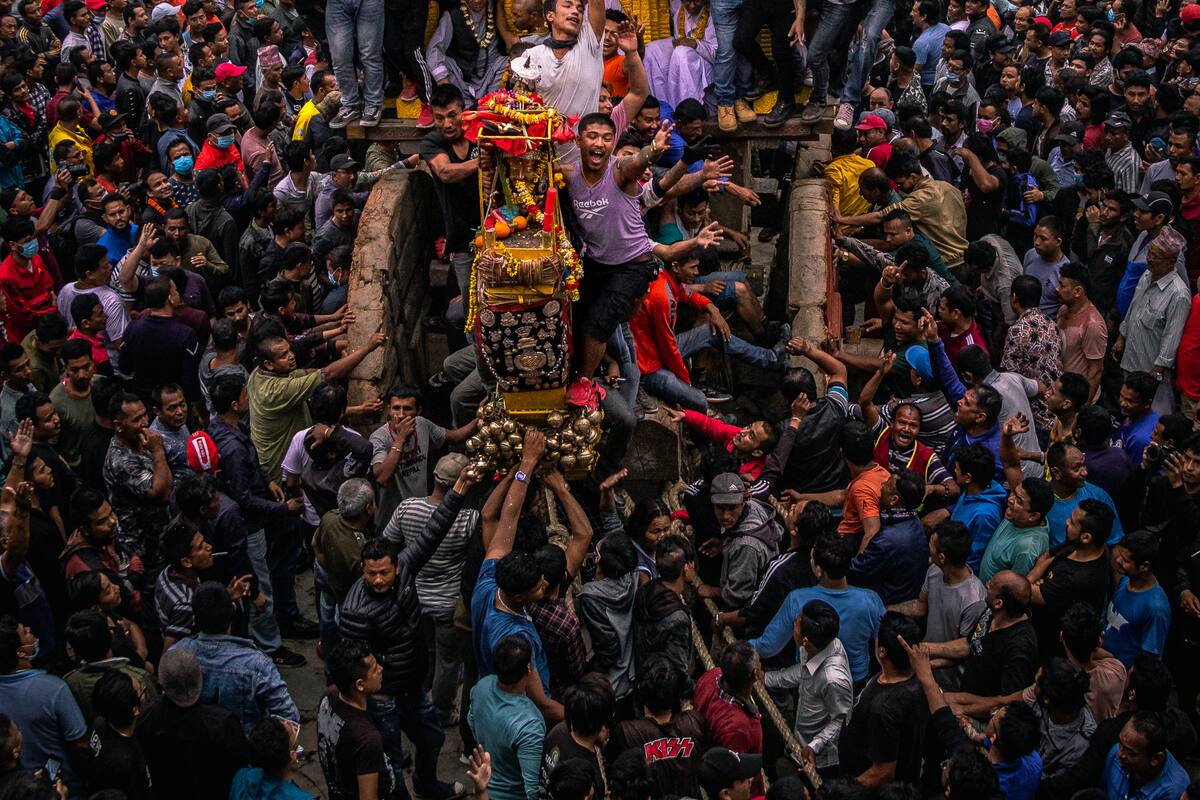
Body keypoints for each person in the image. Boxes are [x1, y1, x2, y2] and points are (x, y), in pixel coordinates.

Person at [338, 465, 475, 800]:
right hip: (384, 696)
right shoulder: (356, 611)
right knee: (392, 760)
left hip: (413, 686)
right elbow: (352, 661)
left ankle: (427, 786)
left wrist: (459, 488)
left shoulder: (407, 569)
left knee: (432, 738)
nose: (379, 580)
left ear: (396, 566)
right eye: (372, 574)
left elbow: (433, 531)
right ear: (363, 570)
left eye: (384, 572)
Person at [750, 534, 885, 682]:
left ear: (819, 570)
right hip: (855, 683)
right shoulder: (871, 600)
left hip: (810, 683)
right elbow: (882, 649)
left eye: (812, 559)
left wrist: (746, 645)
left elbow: (769, 647)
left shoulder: (798, 600)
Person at [135, 646, 249, 800]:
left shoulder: (146, 718)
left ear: (161, 682)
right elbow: (240, 766)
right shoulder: (223, 723)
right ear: (200, 677)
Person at [761, 599, 853, 774]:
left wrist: (814, 746)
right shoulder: (815, 646)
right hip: (800, 738)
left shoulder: (833, 678)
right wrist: (767, 678)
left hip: (819, 760)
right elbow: (803, 672)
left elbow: (841, 720)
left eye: (797, 621)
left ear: (805, 640)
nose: (795, 620)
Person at [837, 612, 928, 789]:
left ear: (882, 651)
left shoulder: (885, 708)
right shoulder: (910, 679)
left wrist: (844, 792)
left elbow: (883, 773)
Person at [317, 639, 399, 800]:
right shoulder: (367, 739)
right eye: (375, 670)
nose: (381, 670)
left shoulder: (329, 696)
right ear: (360, 684)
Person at [469, 634, 546, 800]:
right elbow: (531, 789)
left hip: (484, 786)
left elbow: (472, 722)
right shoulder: (529, 723)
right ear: (528, 669)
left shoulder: (481, 687)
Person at [1103, 530, 1171, 667]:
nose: (1118, 560)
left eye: (1125, 560)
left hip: (1122, 677)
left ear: (1144, 566)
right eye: (1120, 555)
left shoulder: (1156, 608)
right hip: (1104, 663)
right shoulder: (1125, 581)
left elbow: (1150, 658)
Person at [1102, 712, 1190, 800]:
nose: (1120, 754)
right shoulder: (1118, 752)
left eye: (1130, 753)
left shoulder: (1172, 791)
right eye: (1120, 743)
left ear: (1155, 759)